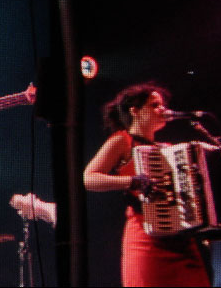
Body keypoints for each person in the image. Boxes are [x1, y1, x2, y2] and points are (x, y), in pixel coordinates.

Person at [83, 82, 211, 287]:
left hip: (182, 239)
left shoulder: (168, 150)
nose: (163, 109)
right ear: (135, 111)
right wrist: (132, 181)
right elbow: (88, 178)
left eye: (162, 105)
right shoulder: (122, 141)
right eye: (154, 105)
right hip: (146, 238)